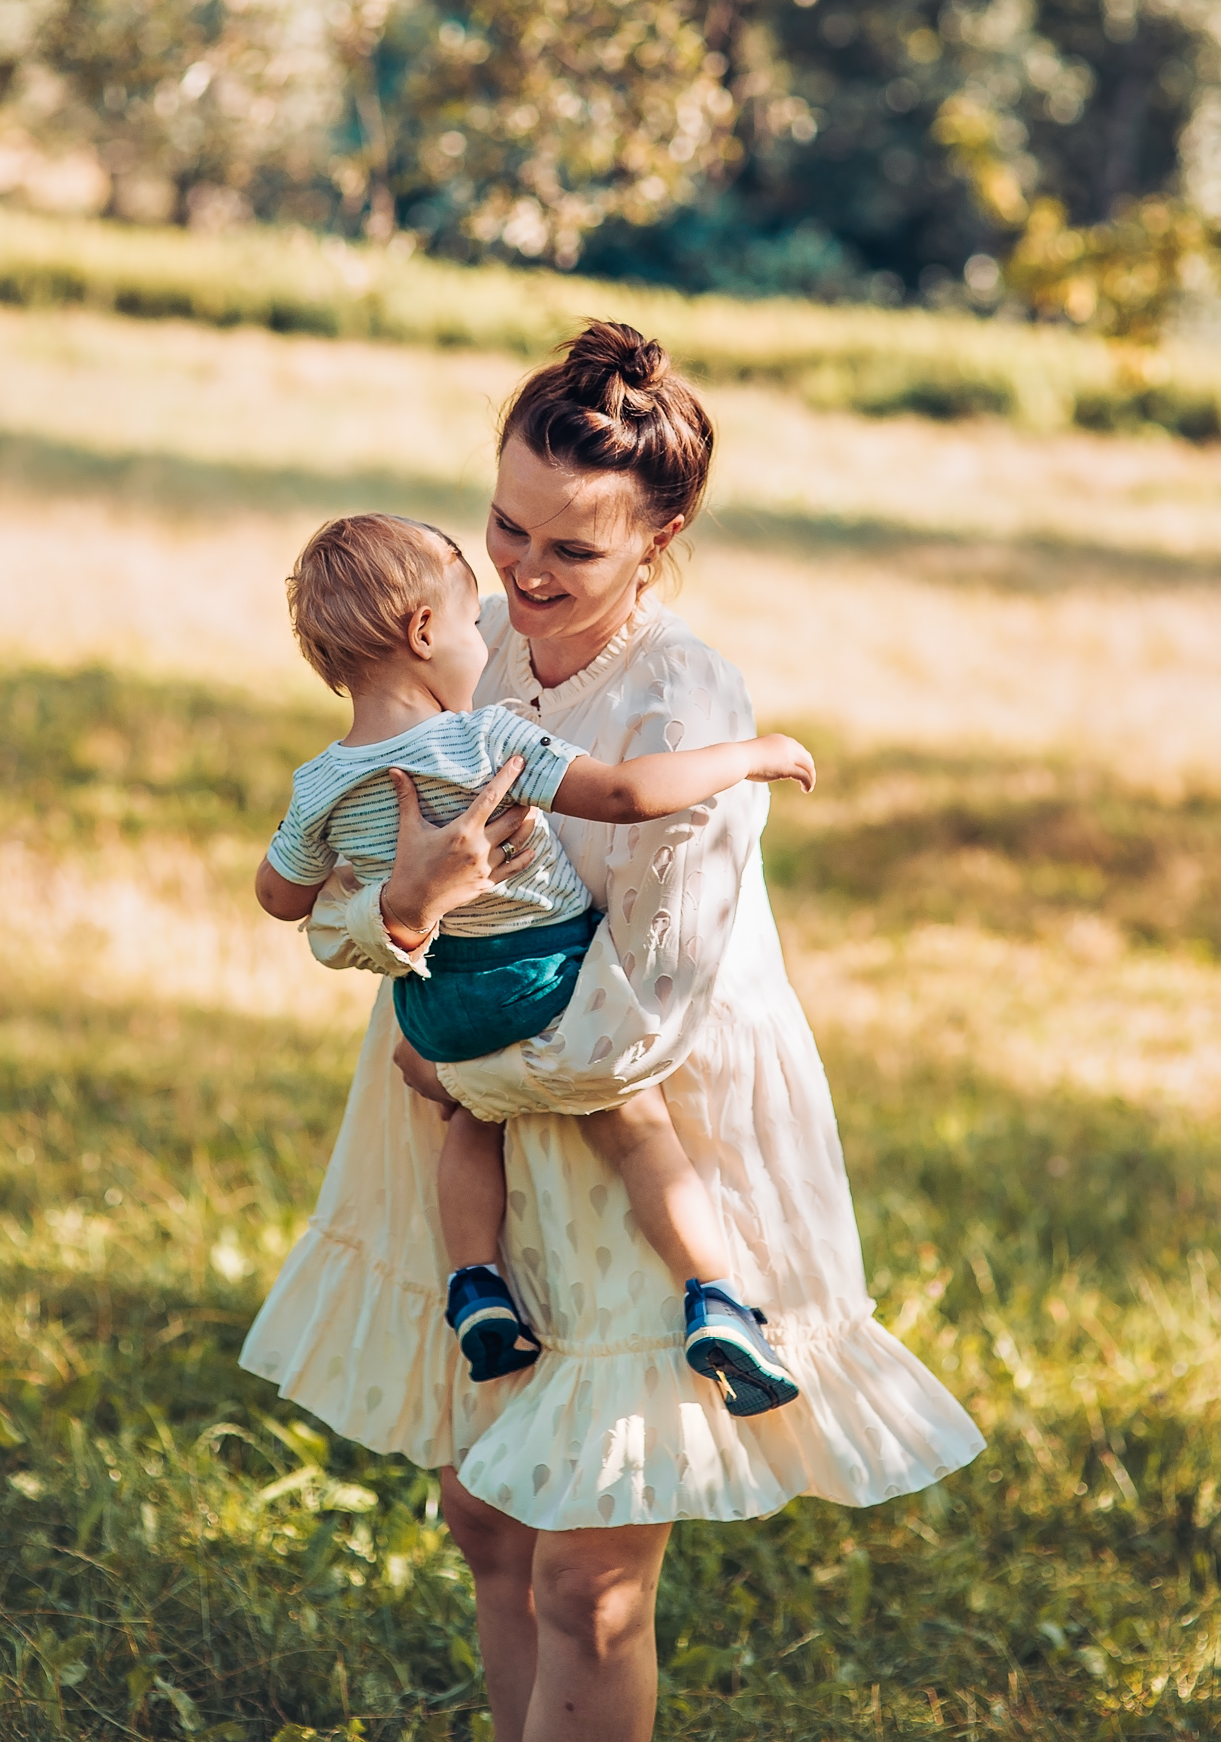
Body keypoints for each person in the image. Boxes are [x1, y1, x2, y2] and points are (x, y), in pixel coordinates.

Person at [241, 322, 983, 1742]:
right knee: (487, 1519)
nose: (521, 575)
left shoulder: (679, 700)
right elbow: (335, 885)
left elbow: (648, 1006)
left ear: (661, 535)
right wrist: (395, 910)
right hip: (459, 1109)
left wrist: (461, 1069)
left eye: (568, 552)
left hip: (626, 1128)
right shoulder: (449, 638)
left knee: (587, 1565)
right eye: (504, 525)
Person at [255, 509, 816, 1412]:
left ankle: (475, 1283)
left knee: (470, 1121)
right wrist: (753, 754)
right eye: (466, 610)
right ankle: (713, 1298)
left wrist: (383, 883)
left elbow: (280, 897)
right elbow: (628, 794)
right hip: (545, 979)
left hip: (435, 1006)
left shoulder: (317, 783)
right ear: (425, 632)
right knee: (633, 1126)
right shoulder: (487, 737)